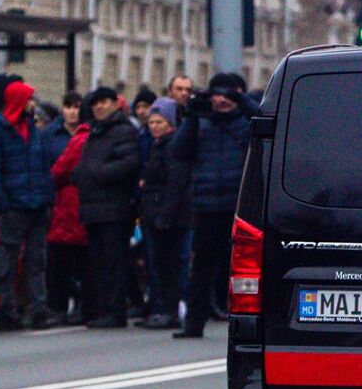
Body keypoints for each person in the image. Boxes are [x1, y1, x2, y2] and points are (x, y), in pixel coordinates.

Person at [172, 72, 255, 338]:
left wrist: (240, 102)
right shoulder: (201, 122)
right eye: (216, 94)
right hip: (206, 206)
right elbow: (179, 151)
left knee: (243, 267)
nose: (220, 100)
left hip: (239, 205)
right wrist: (192, 116)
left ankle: (248, 322)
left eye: (226, 94)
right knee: (202, 269)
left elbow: (267, 125)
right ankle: (194, 323)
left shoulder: (244, 121)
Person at [0, 80, 57, 330]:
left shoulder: (34, 130)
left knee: (37, 260)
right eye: (28, 100)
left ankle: (38, 309)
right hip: (14, 206)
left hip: (37, 205)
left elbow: (44, 167)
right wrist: (2, 203)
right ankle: (8, 309)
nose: (32, 105)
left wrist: (47, 198)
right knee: (8, 261)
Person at [65, 88, 142, 327]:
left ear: (114, 104)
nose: (99, 107)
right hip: (93, 208)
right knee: (98, 262)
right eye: (96, 103)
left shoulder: (123, 131)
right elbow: (87, 163)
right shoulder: (96, 132)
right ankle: (103, 309)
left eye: (104, 102)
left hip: (114, 208)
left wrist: (93, 173)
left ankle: (115, 311)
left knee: (113, 262)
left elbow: (129, 165)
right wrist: (79, 174)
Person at [138, 97, 190, 329]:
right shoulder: (159, 144)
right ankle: (163, 309)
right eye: (151, 122)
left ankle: (170, 311)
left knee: (167, 265)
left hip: (166, 218)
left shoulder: (171, 146)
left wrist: (164, 216)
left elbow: (175, 184)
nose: (154, 126)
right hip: (156, 214)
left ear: (170, 123)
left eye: (159, 121)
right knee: (158, 265)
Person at [45, 94, 90, 325]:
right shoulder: (51, 135)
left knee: (72, 261)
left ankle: (68, 306)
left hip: (72, 205)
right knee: (63, 261)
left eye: (77, 108)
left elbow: (57, 171)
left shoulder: (82, 137)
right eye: (68, 107)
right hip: (62, 207)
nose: (72, 112)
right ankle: (67, 306)